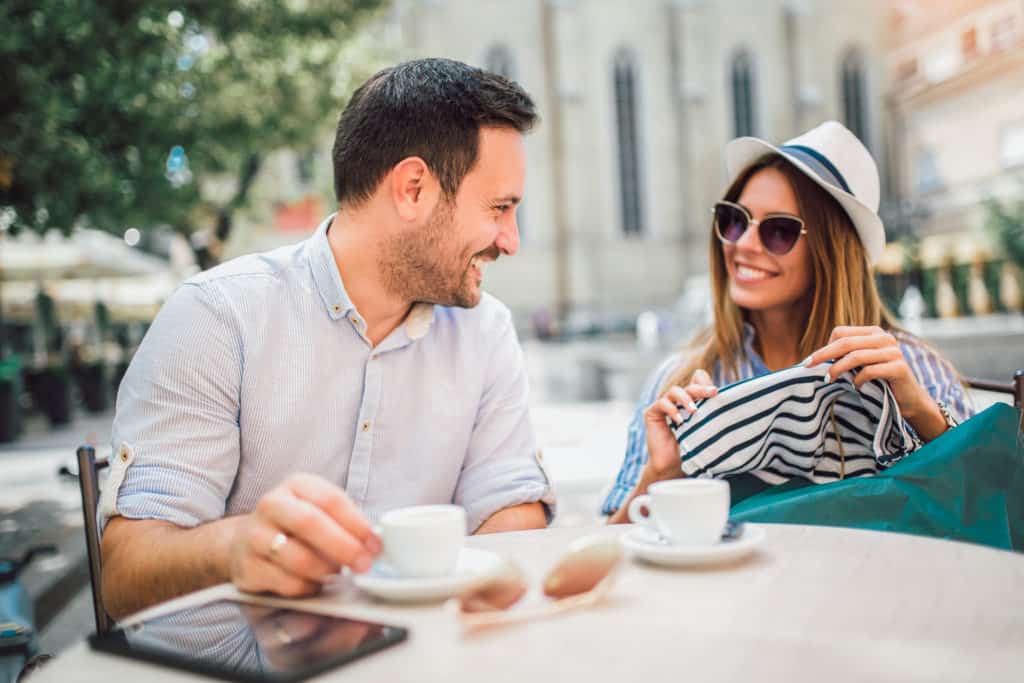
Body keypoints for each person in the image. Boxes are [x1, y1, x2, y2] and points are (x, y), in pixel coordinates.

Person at [100, 58, 555, 618]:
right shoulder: (218, 318)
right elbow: (123, 575)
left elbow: (511, 513)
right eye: (499, 208)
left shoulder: (485, 331)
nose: (510, 241)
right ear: (413, 189)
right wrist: (235, 546)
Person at [604, 121, 973, 523]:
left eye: (779, 230)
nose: (743, 243)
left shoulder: (911, 369)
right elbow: (609, 542)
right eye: (734, 219)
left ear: (831, 252)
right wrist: (662, 473)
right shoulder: (679, 381)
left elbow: (985, 506)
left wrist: (919, 412)